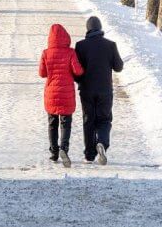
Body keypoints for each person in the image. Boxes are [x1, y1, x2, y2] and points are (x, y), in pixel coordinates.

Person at [74, 16, 123, 165]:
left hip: (87, 89)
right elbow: (119, 67)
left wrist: (80, 81)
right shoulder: (110, 45)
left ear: (88, 28)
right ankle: (101, 142)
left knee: (88, 120)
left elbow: (76, 70)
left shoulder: (80, 46)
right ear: (100, 28)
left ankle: (89, 155)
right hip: (105, 90)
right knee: (104, 119)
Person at [39, 24, 83, 168]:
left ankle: (54, 152)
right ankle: (64, 148)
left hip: (51, 92)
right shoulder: (70, 52)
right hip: (66, 93)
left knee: (52, 123)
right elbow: (78, 71)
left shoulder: (46, 53)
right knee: (65, 123)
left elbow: (42, 73)